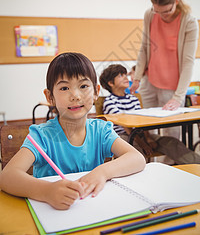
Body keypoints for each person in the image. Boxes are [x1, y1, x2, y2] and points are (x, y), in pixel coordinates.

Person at [0, 52, 145, 210]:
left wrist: (102, 172)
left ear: (96, 92)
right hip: (52, 214)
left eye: (83, 86)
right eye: (64, 88)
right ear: (50, 97)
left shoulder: (101, 130)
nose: (75, 95)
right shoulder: (42, 136)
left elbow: (137, 158)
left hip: (91, 210)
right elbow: (7, 177)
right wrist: (46, 191)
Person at [131, 0, 199, 140]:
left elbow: (188, 62)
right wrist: (137, 77)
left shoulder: (189, 22)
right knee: (148, 130)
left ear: (176, 1)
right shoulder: (150, 14)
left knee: (172, 132)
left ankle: (172, 164)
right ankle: (150, 164)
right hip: (150, 81)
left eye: (167, 11)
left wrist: (178, 97)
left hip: (172, 88)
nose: (162, 15)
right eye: (158, 11)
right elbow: (144, 47)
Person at [99, 64, 200, 164]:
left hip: (140, 133)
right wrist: (143, 144)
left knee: (172, 143)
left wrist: (148, 138)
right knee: (137, 150)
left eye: (125, 74)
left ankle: (196, 164)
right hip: (123, 136)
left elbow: (141, 121)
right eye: (121, 76)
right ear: (111, 83)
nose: (126, 77)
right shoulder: (110, 102)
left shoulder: (133, 98)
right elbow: (126, 126)